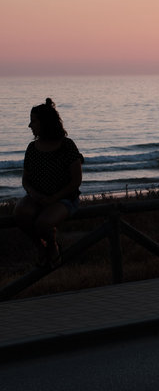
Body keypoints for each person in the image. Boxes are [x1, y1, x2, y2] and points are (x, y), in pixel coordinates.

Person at [14, 98, 85, 268]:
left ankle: (53, 246)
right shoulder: (32, 148)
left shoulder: (66, 146)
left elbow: (76, 181)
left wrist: (55, 198)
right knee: (20, 214)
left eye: (33, 121)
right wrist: (34, 194)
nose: (30, 126)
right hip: (38, 197)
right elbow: (25, 179)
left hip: (64, 199)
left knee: (43, 224)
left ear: (45, 123)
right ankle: (41, 247)